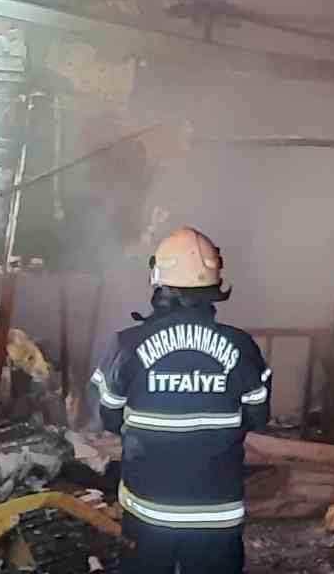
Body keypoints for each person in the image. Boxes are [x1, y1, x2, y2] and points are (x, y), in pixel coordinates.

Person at [93, 226, 271, 574]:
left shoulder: (126, 345)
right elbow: (258, 415)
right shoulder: (241, 346)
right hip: (217, 515)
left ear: (157, 280)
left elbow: (110, 417)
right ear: (215, 285)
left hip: (148, 513)